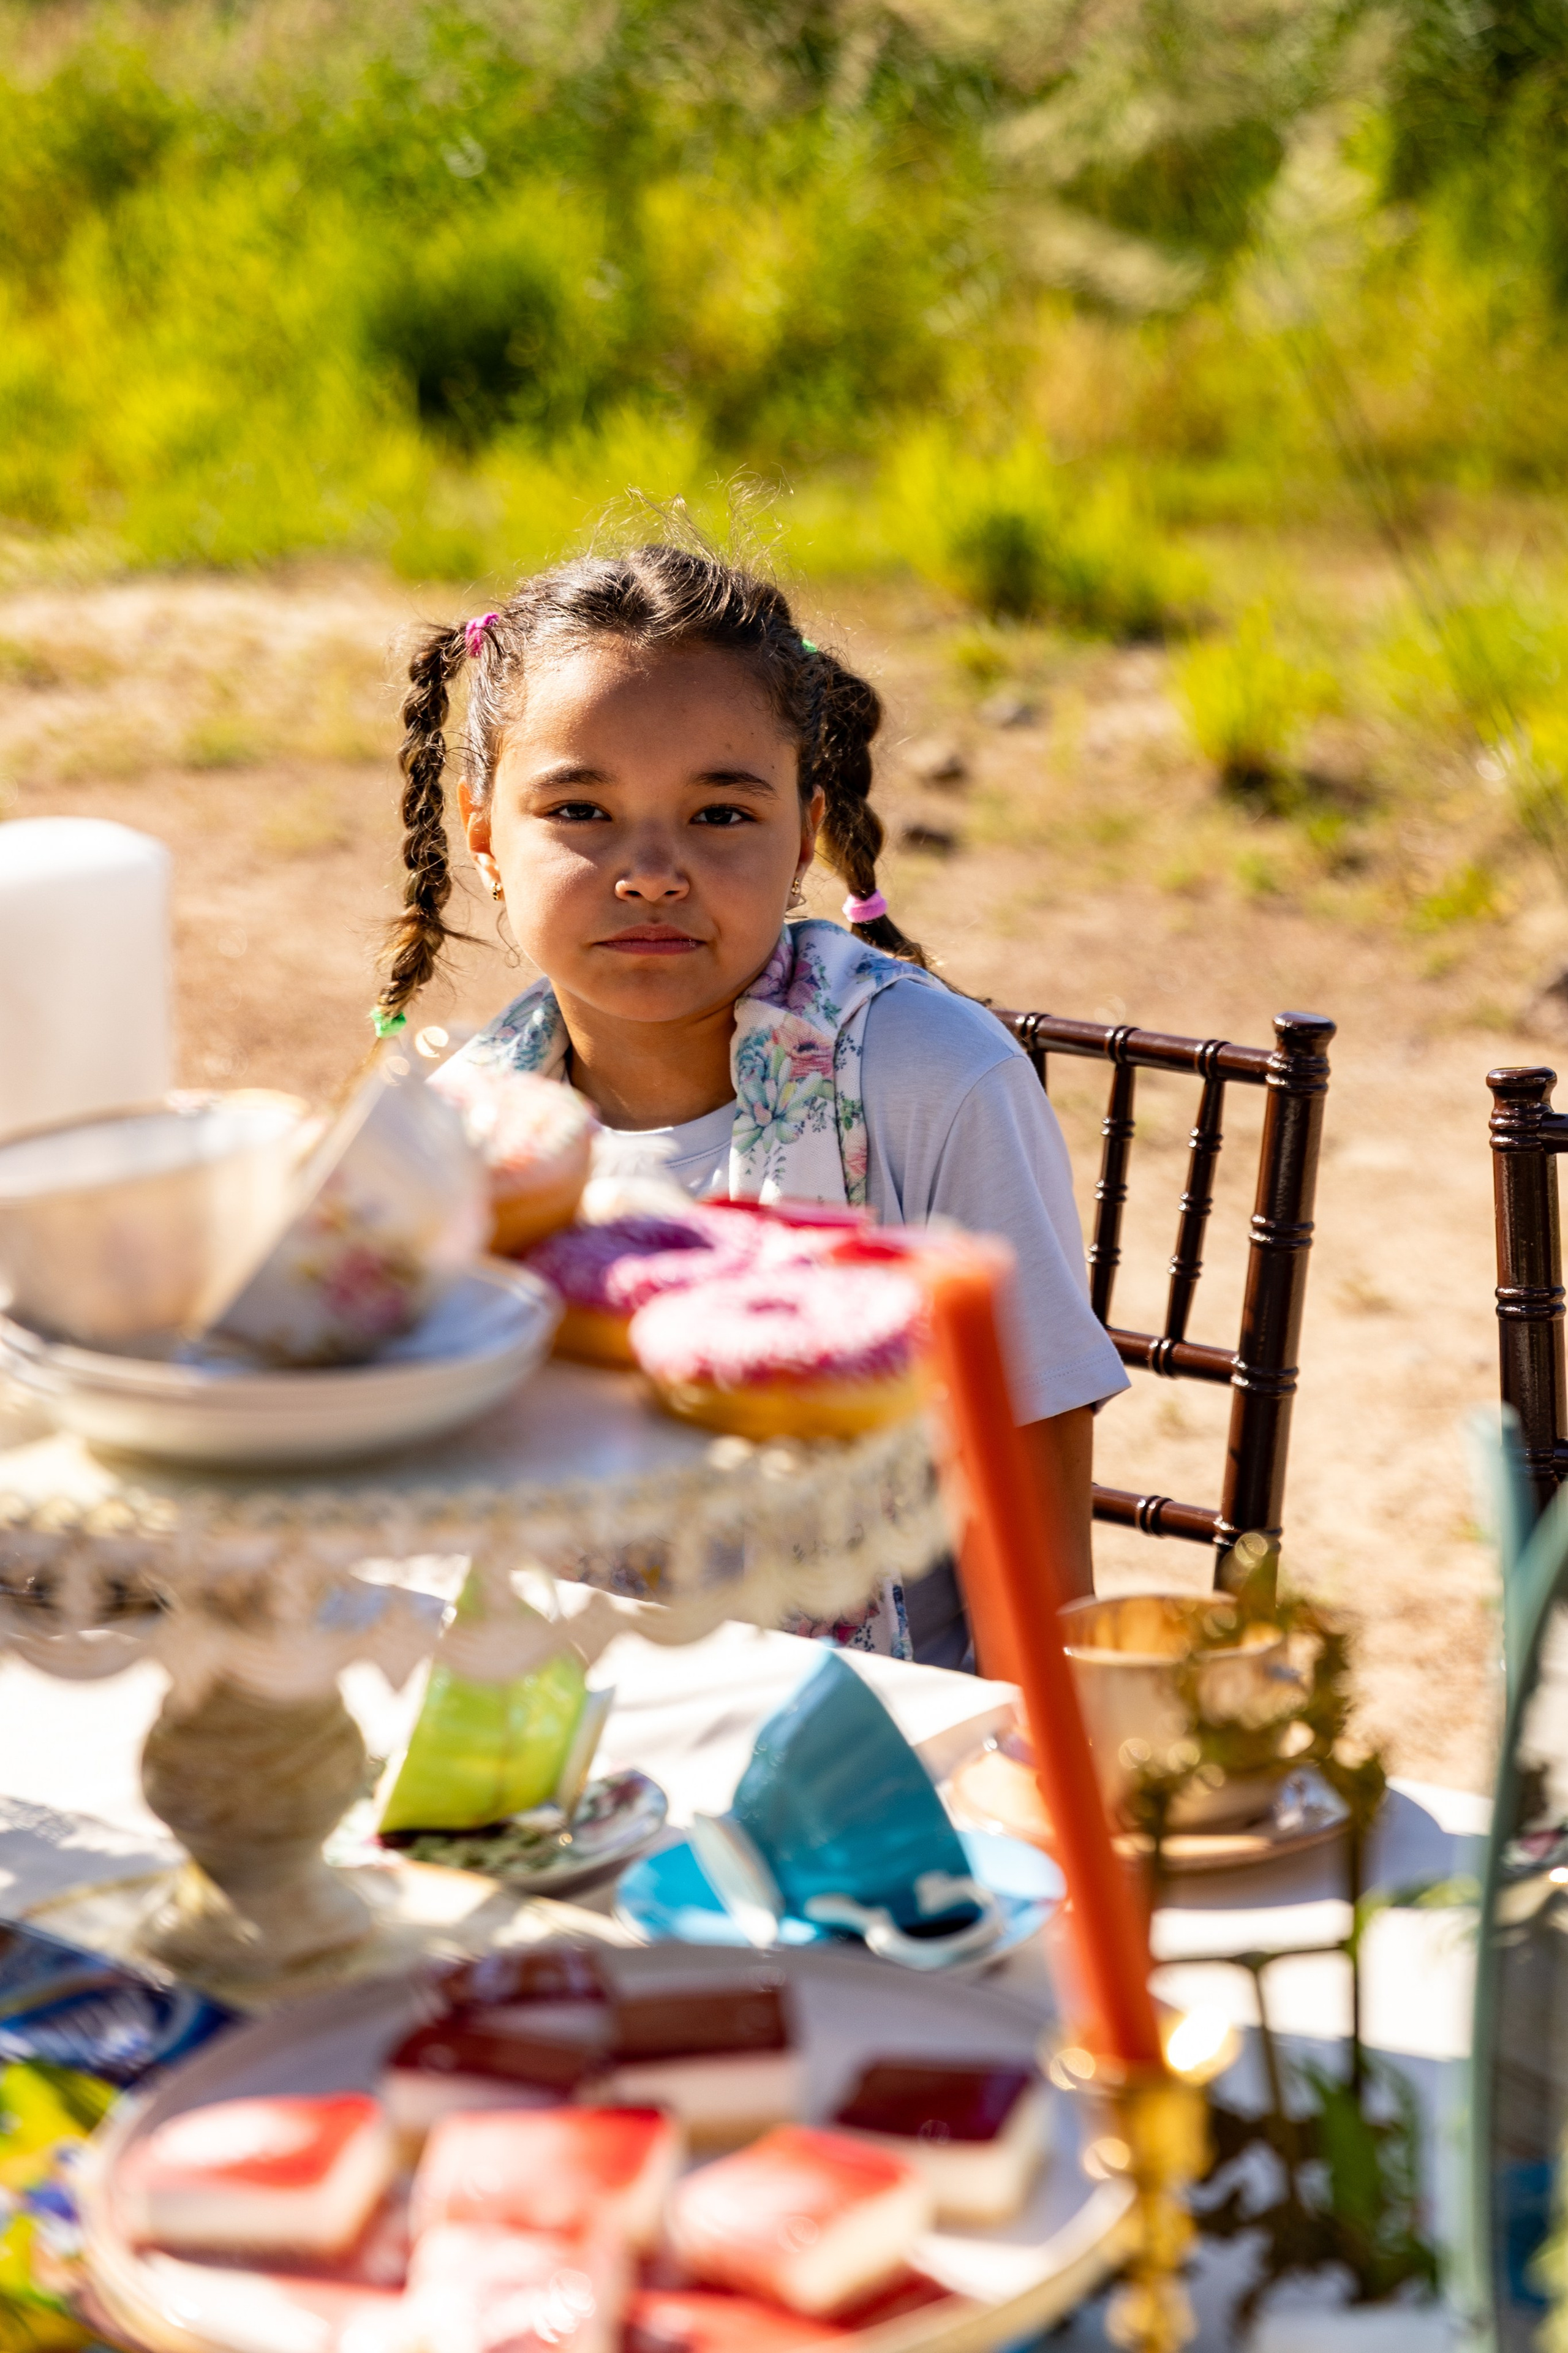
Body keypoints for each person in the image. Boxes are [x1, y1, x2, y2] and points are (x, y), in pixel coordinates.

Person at [375, 540, 1127, 1664]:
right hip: (555, 1739)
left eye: (721, 815)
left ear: (806, 835)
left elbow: (1042, 1579)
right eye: (580, 809)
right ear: (484, 833)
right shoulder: (464, 1131)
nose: (651, 872)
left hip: (874, 1759)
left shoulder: (929, 1079)